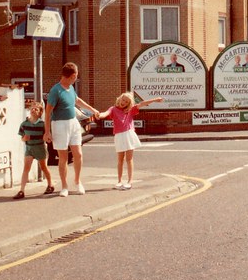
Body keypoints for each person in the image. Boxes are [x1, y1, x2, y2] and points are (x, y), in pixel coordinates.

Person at [43, 63, 98, 196]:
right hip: (60, 124)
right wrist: (47, 131)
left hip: (73, 123)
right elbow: (48, 111)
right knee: (63, 157)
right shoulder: (56, 90)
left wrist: (92, 109)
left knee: (78, 154)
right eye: (76, 76)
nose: (76, 78)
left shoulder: (71, 88)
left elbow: (77, 100)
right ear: (72, 75)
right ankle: (64, 186)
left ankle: (78, 182)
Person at [98, 93, 163, 190]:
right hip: (119, 136)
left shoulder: (131, 110)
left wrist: (154, 100)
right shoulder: (113, 109)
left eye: (126, 102)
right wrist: (99, 115)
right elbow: (105, 113)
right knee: (120, 160)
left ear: (129, 103)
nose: (123, 102)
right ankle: (119, 181)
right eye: (123, 100)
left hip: (129, 134)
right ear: (119, 99)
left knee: (129, 159)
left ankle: (129, 181)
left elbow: (142, 103)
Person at [14, 102, 54, 199]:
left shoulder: (42, 124)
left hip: (40, 147)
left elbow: (47, 138)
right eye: (32, 108)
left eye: (36, 109)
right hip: (29, 148)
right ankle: (21, 190)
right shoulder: (24, 124)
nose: (33, 110)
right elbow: (22, 138)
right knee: (26, 168)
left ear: (40, 113)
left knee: (44, 167)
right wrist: (25, 138)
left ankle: (50, 184)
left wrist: (47, 138)